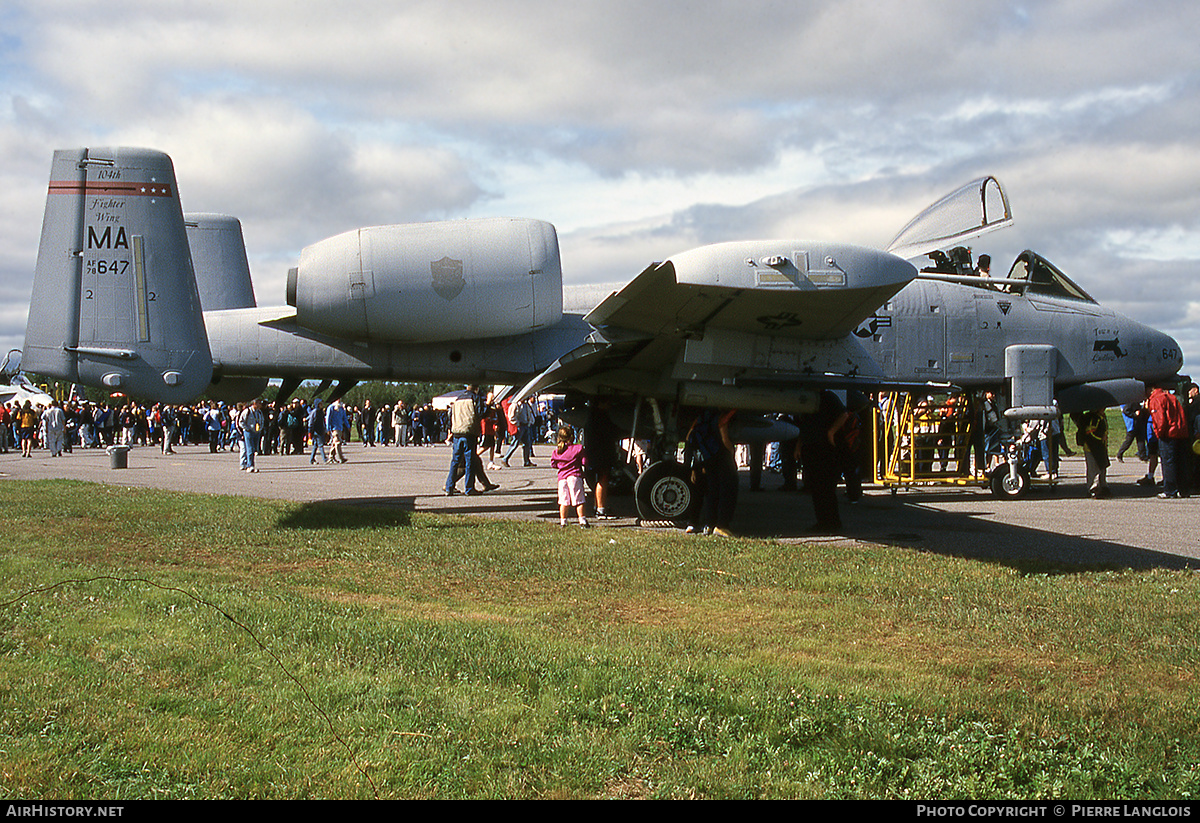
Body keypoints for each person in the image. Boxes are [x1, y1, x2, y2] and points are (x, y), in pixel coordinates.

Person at [797, 390, 849, 534]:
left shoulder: (827, 397)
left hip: (824, 448)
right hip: (811, 446)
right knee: (816, 489)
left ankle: (831, 522)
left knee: (826, 488)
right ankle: (823, 521)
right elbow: (804, 425)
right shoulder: (807, 398)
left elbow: (844, 414)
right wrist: (799, 445)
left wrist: (831, 433)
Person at [686, 408, 738, 536]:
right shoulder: (724, 416)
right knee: (727, 490)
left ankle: (707, 524)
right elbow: (725, 439)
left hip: (705, 458)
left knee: (711, 492)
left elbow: (689, 437)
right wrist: (731, 453)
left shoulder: (701, 418)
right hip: (721, 457)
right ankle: (722, 525)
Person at [1147, 384, 1189, 498]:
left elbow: (1160, 420)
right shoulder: (1171, 397)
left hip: (1168, 434)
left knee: (1168, 462)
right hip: (1180, 433)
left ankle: (1170, 490)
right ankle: (1184, 489)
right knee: (1180, 462)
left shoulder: (1156, 399)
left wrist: (1159, 434)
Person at [445, 385, 483, 495]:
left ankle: (449, 487)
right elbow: (481, 413)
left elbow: (450, 416)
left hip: (457, 432)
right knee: (469, 461)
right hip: (469, 432)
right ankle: (469, 488)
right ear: (476, 389)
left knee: (455, 461)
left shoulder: (458, 399)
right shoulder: (475, 398)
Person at [550, 425, 588, 528]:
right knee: (579, 500)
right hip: (574, 476)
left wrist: (561, 466)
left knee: (563, 501)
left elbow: (553, 464)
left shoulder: (557, 452)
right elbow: (584, 462)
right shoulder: (578, 448)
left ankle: (563, 521)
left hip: (562, 478)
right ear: (572, 437)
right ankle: (582, 521)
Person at [1072, 409, 1110, 498]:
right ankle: (1092, 488)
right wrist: (1101, 437)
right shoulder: (1094, 418)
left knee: (1102, 467)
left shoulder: (1101, 417)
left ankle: (1103, 486)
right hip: (1092, 448)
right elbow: (1090, 432)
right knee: (1093, 469)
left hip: (1100, 448)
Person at [238, 399, 265, 472]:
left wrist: (260, 428)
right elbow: (240, 421)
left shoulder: (259, 412)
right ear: (254, 403)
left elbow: (262, 421)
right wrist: (247, 429)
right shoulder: (247, 411)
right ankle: (250, 466)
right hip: (248, 432)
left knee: (254, 449)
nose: (260, 405)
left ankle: (249, 464)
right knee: (250, 449)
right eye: (259, 403)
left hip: (256, 432)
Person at [307, 398, 328, 464]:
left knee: (315, 446)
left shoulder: (321, 412)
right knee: (320, 445)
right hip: (316, 431)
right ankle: (324, 459)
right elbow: (311, 422)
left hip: (320, 429)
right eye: (320, 404)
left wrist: (325, 429)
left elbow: (322, 421)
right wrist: (310, 431)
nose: (322, 405)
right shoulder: (314, 412)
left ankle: (312, 459)